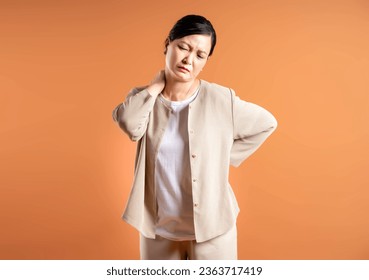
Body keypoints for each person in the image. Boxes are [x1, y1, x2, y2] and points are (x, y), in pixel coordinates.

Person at [112, 14, 277, 260]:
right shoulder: (143, 98)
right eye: (183, 47)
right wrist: (156, 87)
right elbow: (128, 123)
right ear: (168, 44)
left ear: (205, 62)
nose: (189, 60)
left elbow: (267, 123)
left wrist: (221, 156)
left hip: (213, 231)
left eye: (200, 55)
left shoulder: (221, 99)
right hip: (158, 232)